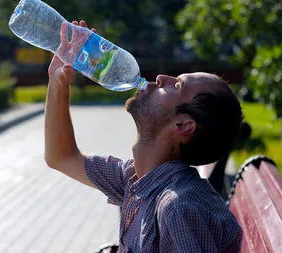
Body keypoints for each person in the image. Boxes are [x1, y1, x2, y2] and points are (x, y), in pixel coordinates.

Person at [44, 20, 243, 253]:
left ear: (183, 125)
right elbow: (61, 157)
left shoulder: (179, 208)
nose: (160, 78)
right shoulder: (136, 179)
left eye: (176, 86)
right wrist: (58, 83)